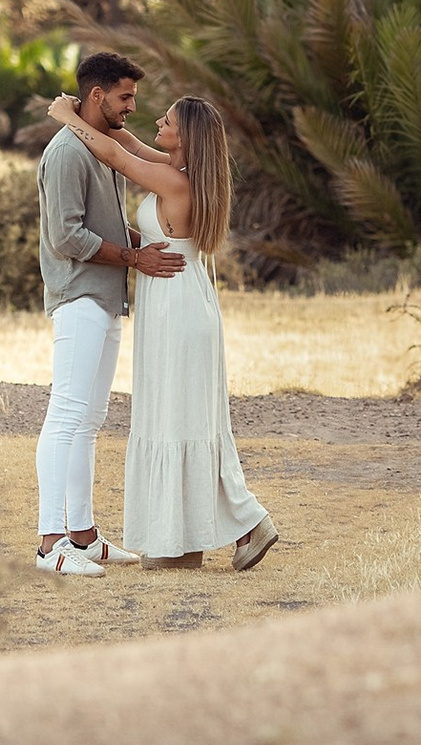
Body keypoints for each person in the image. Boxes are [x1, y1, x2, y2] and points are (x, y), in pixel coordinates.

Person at [45, 85, 280, 572]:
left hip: (177, 309)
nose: (157, 123)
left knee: (180, 420)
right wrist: (97, 117)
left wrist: (65, 114)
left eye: (167, 121)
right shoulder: (181, 173)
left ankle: (242, 523)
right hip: (176, 303)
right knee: (179, 419)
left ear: (186, 136)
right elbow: (126, 144)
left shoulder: (176, 183)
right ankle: (188, 540)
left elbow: (111, 152)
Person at [34, 51, 186, 574]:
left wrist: (149, 246)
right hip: (78, 297)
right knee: (67, 415)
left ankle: (83, 535)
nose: (132, 107)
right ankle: (50, 542)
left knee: (90, 419)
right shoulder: (68, 153)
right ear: (97, 96)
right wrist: (133, 257)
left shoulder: (101, 147)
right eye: (125, 97)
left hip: (106, 297)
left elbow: (111, 221)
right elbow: (66, 236)